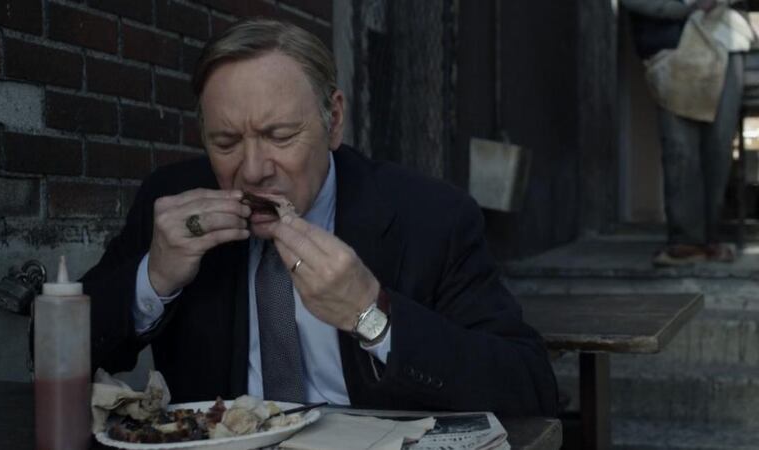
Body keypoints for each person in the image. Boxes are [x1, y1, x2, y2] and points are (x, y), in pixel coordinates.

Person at [82, 18, 558, 417]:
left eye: (281, 136)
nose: (252, 170)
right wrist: (154, 278)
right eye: (225, 143)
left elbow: (530, 387)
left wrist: (372, 316)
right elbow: (55, 354)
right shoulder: (170, 203)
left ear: (333, 120)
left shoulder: (431, 216)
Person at [622, 0, 743, 266]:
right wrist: (690, 5)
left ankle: (711, 237)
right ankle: (685, 242)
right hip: (670, 48)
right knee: (680, 148)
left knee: (719, 147)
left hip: (723, 44)